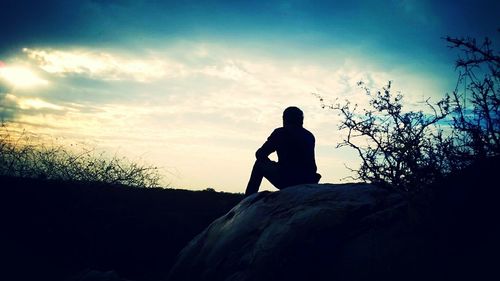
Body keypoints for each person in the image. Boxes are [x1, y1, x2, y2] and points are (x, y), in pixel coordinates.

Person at [245, 106, 321, 196]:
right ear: (301, 120)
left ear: (284, 119)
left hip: (288, 180)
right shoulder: (309, 135)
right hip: (308, 179)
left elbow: (260, 154)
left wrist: (270, 163)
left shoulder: (280, 133)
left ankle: (247, 198)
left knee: (259, 164)